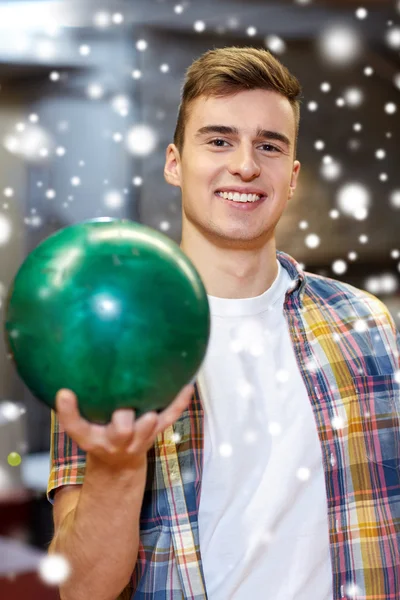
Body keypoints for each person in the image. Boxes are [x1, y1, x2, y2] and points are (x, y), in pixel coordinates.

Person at [47, 46, 400, 600]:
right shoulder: (107, 341)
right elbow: (81, 589)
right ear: (173, 162)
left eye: (269, 146)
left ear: (291, 175)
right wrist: (117, 468)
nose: (245, 165)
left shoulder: (366, 325)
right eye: (218, 140)